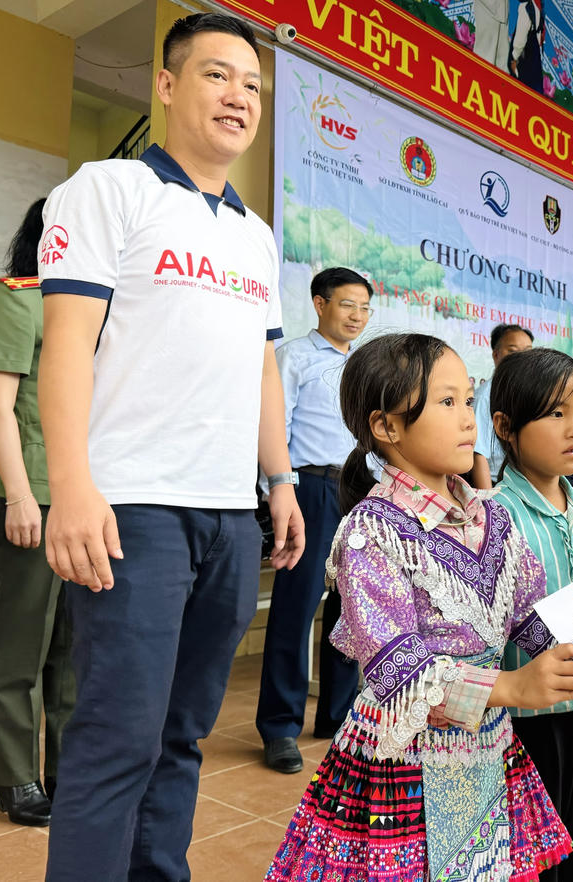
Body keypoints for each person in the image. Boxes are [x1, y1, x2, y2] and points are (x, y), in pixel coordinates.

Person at [37, 13, 304, 881]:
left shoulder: (256, 236)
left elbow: (262, 367)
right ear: (166, 84)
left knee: (183, 735)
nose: (239, 97)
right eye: (218, 76)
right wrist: (71, 484)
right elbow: (68, 341)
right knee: (118, 738)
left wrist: (280, 480)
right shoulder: (108, 189)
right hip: (133, 510)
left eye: (252, 85)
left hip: (229, 517)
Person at [266, 333, 573, 881]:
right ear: (387, 426)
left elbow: (530, 617)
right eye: (448, 403)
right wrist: (511, 688)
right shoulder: (372, 532)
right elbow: (400, 669)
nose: (468, 419)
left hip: (484, 747)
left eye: (468, 400)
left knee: (476, 867)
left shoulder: (491, 519)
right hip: (407, 763)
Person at [489, 347, 573, 882]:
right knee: (532, 855)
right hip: (527, 721)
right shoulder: (495, 515)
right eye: (556, 413)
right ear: (505, 426)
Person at [0, 197, 75, 828]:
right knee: (19, 649)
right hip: (32, 496)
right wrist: (16, 493)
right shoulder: (20, 296)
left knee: (73, 649)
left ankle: (69, 770)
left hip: (85, 502)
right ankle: (17, 777)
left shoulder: (94, 309)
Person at [257, 267, 370, 773]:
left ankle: (339, 716)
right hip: (309, 489)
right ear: (320, 303)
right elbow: (273, 425)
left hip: (358, 490)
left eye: (365, 308)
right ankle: (280, 726)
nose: (357, 316)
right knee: (295, 607)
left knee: (352, 610)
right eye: (348, 305)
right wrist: (276, 491)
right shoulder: (293, 357)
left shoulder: (365, 366)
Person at [472, 323, 534, 489]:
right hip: (497, 486)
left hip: (525, 485)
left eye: (528, 351)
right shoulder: (485, 398)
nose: (522, 358)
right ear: (496, 355)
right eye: (513, 351)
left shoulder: (531, 393)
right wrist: (489, 506)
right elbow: (478, 455)